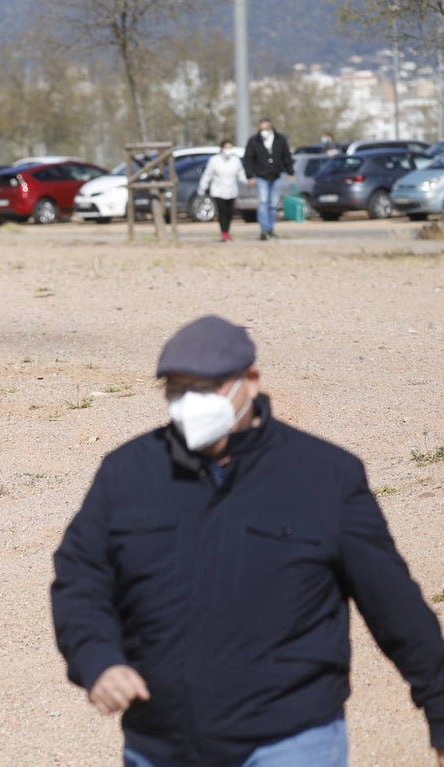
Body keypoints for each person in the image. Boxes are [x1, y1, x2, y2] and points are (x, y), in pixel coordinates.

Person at [51, 315, 444, 767]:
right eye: (178, 390)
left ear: (250, 382)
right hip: (160, 745)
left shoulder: (324, 476)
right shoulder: (127, 472)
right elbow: (80, 579)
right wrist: (97, 658)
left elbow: (394, 604)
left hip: (289, 741)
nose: (190, 403)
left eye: (206, 387)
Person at [242, 118, 294, 240]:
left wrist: (290, 172)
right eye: (262, 129)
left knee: (273, 204)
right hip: (261, 176)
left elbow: (286, 156)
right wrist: (249, 175)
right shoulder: (254, 141)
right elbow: (248, 159)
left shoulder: (280, 139)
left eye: (266, 129)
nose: (264, 131)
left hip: (276, 176)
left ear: (271, 128)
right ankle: (264, 229)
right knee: (263, 202)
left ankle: (271, 229)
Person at [196, 140, 247, 242]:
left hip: (232, 190)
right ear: (221, 149)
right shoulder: (214, 160)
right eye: (226, 147)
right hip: (218, 190)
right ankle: (224, 233)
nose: (228, 150)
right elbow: (207, 175)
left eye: (230, 148)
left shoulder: (235, 160)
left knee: (229, 212)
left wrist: (247, 181)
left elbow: (241, 173)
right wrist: (202, 188)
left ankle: (227, 231)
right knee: (222, 211)